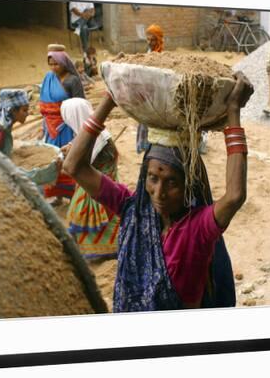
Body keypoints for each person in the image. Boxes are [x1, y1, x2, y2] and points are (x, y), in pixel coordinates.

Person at [63, 72, 253, 311]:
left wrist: (234, 110)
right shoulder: (132, 209)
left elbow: (235, 195)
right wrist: (109, 100)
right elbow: (74, 166)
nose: (159, 192)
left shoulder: (197, 228)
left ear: (188, 185)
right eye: (153, 178)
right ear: (144, 177)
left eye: (171, 182)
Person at [60, 98, 121, 259]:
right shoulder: (100, 135)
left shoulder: (96, 140)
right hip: (103, 179)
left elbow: (78, 164)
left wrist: (68, 155)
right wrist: (72, 146)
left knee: (81, 212)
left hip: (98, 183)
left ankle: (105, 249)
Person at [39, 45, 85, 204]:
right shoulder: (48, 78)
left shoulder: (73, 80)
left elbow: (80, 104)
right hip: (51, 128)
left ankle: (74, 197)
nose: (53, 67)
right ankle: (57, 195)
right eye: (50, 64)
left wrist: (78, 129)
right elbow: (43, 102)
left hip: (67, 127)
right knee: (53, 160)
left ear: (64, 63)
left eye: (56, 64)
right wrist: (44, 124)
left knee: (69, 160)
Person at [136, 24, 166, 154]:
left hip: (156, 93)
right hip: (146, 91)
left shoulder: (163, 56)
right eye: (148, 39)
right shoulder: (148, 52)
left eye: (152, 40)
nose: (149, 42)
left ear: (159, 39)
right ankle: (145, 146)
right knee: (144, 119)